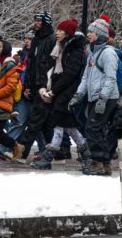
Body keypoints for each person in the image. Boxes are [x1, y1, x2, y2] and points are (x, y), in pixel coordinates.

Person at [31, 20, 88, 170]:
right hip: (61, 91)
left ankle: (49, 157)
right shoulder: (62, 48)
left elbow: (70, 74)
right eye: (57, 30)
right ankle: (86, 155)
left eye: (61, 30)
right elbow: (54, 70)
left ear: (68, 33)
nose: (57, 33)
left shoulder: (75, 50)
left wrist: (54, 90)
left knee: (59, 124)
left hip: (67, 92)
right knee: (68, 126)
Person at [69, 17, 120, 176]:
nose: (88, 34)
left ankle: (98, 162)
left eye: (91, 32)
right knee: (95, 128)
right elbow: (86, 76)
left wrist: (103, 98)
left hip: (106, 97)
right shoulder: (92, 52)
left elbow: (111, 78)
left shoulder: (108, 53)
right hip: (94, 96)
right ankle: (104, 163)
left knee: (92, 128)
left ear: (99, 34)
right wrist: (78, 94)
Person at [15, 12, 56, 163]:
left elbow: (52, 64)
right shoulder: (37, 40)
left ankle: (21, 151)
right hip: (35, 85)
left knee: (36, 119)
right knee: (44, 122)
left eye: (39, 20)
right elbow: (31, 64)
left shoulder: (51, 40)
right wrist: (28, 86)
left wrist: (48, 86)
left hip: (45, 86)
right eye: (35, 20)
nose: (36, 23)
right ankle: (57, 152)